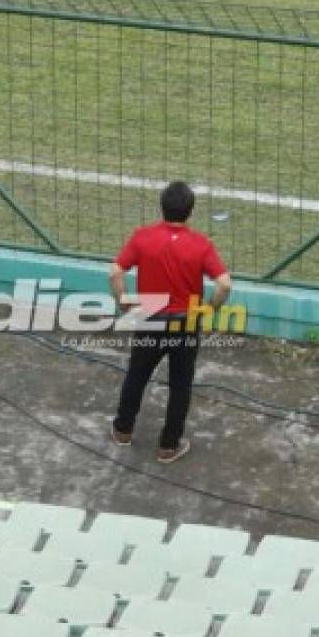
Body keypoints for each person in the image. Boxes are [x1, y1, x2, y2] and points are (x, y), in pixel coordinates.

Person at [110, 180, 232, 463]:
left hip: (151, 314)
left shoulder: (143, 237)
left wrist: (123, 301)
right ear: (190, 212)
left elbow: (115, 272)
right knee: (180, 384)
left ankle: (123, 430)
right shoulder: (201, 244)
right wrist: (208, 309)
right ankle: (168, 445)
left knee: (137, 375)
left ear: (162, 207)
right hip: (186, 321)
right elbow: (224, 285)